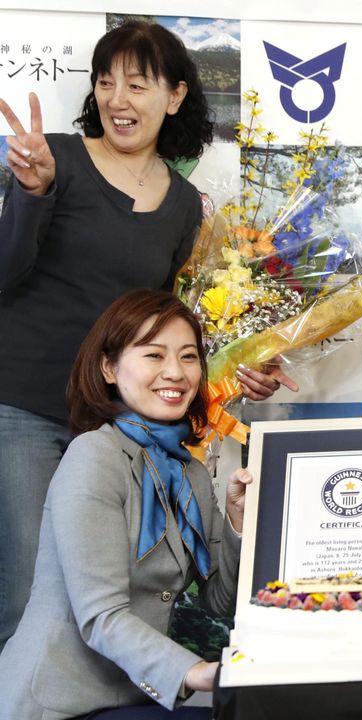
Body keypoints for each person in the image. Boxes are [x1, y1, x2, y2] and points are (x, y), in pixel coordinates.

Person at [0, 20, 291, 652]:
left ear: (176, 96)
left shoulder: (185, 206)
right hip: (23, 406)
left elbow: (162, 329)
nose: (118, 99)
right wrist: (32, 193)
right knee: (24, 591)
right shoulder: (54, 160)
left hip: (111, 424)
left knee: (113, 591)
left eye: (138, 83)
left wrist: (238, 367)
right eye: (106, 82)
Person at [0, 289, 251, 719]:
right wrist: (199, 672)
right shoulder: (94, 455)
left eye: (188, 357)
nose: (175, 372)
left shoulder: (188, 471)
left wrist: (237, 521)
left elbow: (219, 601)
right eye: (154, 355)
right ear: (109, 368)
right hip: (57, 703)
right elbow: (101, 616)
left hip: (133, 697)